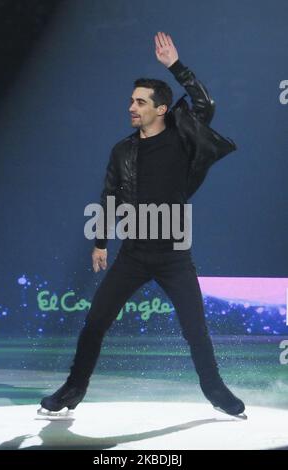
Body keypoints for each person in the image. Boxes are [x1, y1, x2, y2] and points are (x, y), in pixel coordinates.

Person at [38, 32, 245, 418]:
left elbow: (205, 103)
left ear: (161, 109)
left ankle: (216, 392)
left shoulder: (184, 136)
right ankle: (72, 389)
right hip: (133, 253)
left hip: (173, 255)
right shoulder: (123, 150)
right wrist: (100, 241)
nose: (131, 107)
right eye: (131, 101)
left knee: (195, 330)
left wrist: (175, 66)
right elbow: (110, 197)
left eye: (140, 102)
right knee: (96, 321)